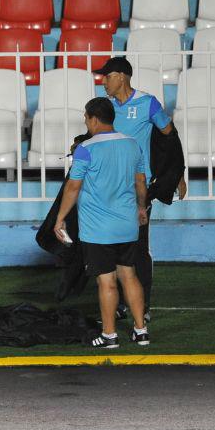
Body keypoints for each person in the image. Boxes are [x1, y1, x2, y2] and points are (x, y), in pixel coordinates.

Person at [54, 98, 151, 349]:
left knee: (106, 281)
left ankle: (109, 335)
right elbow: (141, 181)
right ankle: (141, 331)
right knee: (129, 274)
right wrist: (142, 207)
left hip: (98, 229)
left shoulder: (86, 148)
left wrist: (60, 218)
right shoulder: (132, 144)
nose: (86, 123)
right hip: (127, 224)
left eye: (86, 118)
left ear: (94, 119)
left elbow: (73, 186)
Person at [97, 57, 187, 319]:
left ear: (121, 76)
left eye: (107, 77)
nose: (103, 82)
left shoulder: (147, 103)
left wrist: (177, 173)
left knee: (137, 247)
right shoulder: (106, 108)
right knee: (110, 246)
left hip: (138, 188)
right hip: (109, 187)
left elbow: (170, 136)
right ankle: (119, 303)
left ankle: (141, 306)